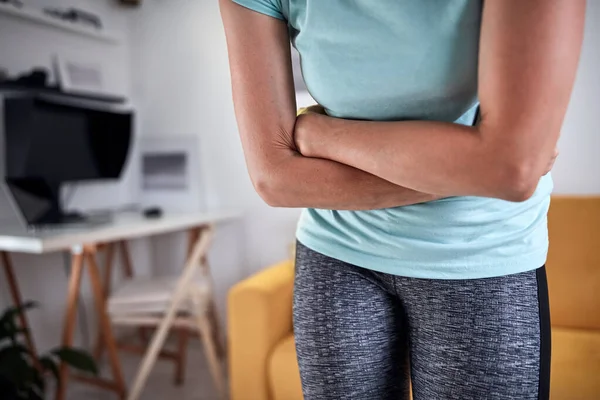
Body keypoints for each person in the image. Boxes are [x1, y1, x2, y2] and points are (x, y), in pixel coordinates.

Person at [220, 0, 585, 399]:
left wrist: (319, 135)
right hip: (336, 255)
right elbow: (275, 178)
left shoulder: (317, 132)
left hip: (478, 257)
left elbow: (512, 169)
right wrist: (480, 168)